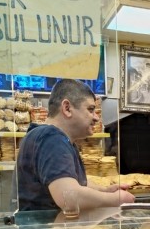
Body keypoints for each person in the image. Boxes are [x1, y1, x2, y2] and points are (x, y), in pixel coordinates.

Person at [15, 79, 135, 211]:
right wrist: (115, 200)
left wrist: (105, 191)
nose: (96, 118)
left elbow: (75, 182)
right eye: (90, 109)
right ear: (67, 108)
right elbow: (69, 197)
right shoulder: (51, 138)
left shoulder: (52, 138)